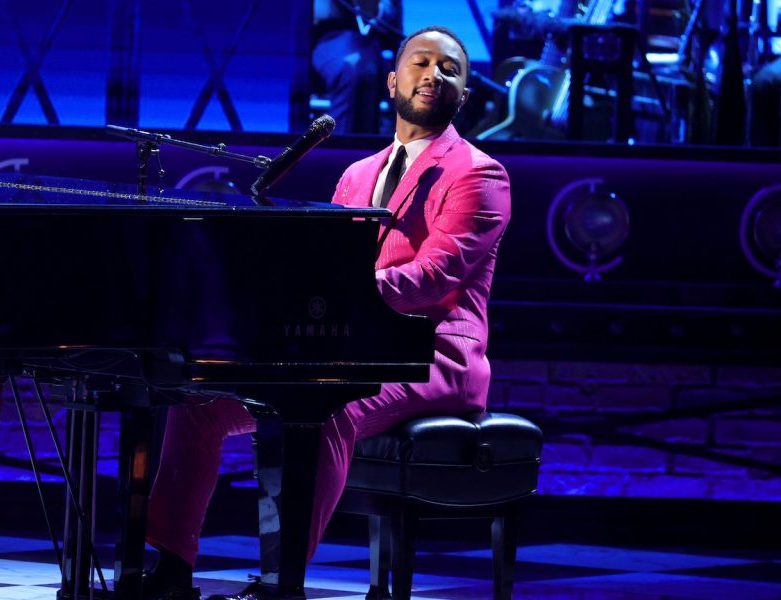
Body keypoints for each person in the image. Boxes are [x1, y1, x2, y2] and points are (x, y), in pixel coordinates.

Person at [142, 25, 512, 600]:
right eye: (421, 62)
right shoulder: (356, 175)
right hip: (356, 346)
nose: (433, 74)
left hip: (435, 358)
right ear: (392, 80)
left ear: (463, 96)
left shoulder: (479, 174)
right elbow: (326, 268)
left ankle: (279, 583)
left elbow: (434, 277)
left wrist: (340, 291)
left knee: (329, 404)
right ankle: (169, 569)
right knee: (200, 401)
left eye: (449, 68)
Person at [311, 0, 403, 134]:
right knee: (356, 70)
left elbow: (392, 21)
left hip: (378, 44)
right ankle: (345, 152)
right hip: (325, 37)